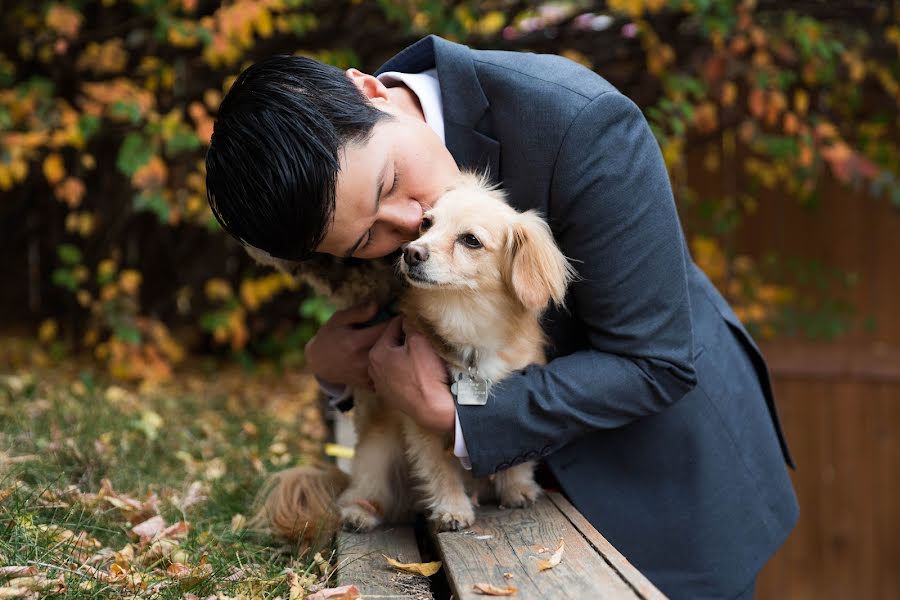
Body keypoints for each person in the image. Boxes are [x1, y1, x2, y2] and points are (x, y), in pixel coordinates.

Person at [205, 35, 799, 599]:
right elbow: (398, 339)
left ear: (369, 92)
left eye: (392, 182)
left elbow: (654, 362)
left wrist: (459, 416)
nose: (410, 226)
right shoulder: (337, 189)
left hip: (664, 488)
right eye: (368, 238)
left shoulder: (579, 121)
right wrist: (331, 367)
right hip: (494, 513)